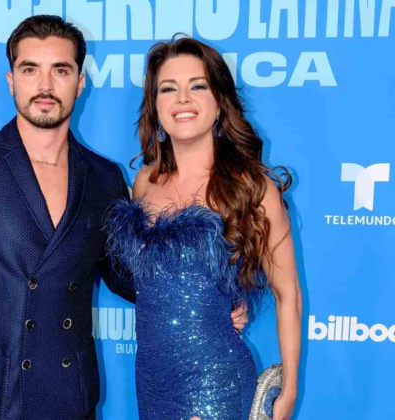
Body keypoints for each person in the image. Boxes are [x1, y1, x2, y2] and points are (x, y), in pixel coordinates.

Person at [0, 16, 248, 420]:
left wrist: (208, 301)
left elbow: (126, 275)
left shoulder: (103, 178)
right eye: (30, 70)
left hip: (70, 396)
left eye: (61, 70)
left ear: (80, 82)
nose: (45, 85)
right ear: (12, 81)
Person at [106, 36, 302, 420]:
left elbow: (288, 294)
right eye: (168, 89)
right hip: (150, 380)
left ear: (219, 102)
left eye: (197, 86)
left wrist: (289, 388)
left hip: (214, 379)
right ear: (155, 106)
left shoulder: (252, 188)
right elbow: (159, 285)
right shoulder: (145, 182)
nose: (182, 99)